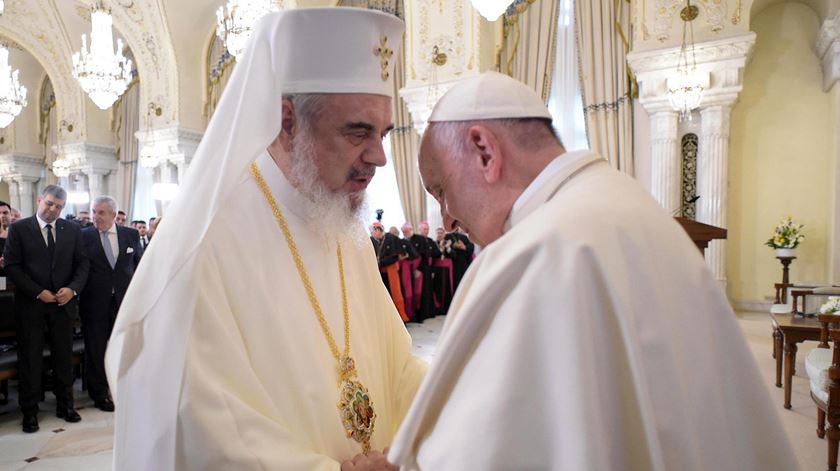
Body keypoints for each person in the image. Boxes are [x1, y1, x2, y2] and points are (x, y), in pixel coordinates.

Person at [387, 72, 797, 470]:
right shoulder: (631, 203)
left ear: (484, 151)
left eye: (441, 190)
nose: (447, 219)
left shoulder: (536, 253)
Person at [106, 9, 425, 470]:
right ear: (285, 120)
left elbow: (398, 368)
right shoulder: (205, 245)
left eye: (383, 134)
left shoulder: (341, 225)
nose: (377, 157)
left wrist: (457, 402)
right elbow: (203, 429)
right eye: (358, 132)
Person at [3, 185, 89, 433]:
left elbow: (82, 264)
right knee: (30, 359)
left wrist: (72, 289)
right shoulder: (19, 228)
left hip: (63, 304)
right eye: (49, 203)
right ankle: (30, 412)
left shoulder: (72, 229)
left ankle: (66, 405)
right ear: (40, 200)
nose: (53, 209)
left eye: (59, 206)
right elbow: (12, 266)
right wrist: (38, 292)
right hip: (31, 305)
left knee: (63, 357)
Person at [80, 196, 142, 412]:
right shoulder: (84, 236)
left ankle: (125, 388)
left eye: (101, 213)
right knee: (96, 350)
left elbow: (139, 267)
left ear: (114, 215)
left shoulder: (131, 235)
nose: (96, 217)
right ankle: (99, 394)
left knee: (125, 347)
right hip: (94, 302)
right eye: (94, 212)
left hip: (124, 303)